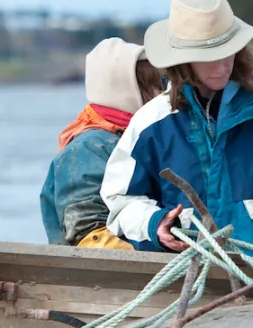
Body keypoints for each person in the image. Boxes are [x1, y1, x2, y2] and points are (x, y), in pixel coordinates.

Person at [101, 0, 253, 263]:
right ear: (182, 59)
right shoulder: (150, 124)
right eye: (209, 56)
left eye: (228, 51)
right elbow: (120, 203)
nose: (222, 65)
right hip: (185, 282)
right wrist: (155, 223)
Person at [39, 37, 165, 250]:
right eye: (155, 87)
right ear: (127, 90)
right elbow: (89, 235)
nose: (163, 95)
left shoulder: (135, 137)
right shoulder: (87, 149)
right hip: (106, 276)